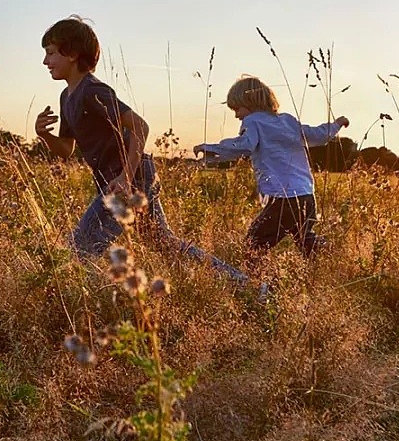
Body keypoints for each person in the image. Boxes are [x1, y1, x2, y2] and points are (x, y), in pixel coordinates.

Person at [35, 16, 247, 283]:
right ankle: (243, 284)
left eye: (51, 53)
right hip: (119, 180)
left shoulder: (94, 91)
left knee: (79, 250)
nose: (46, 62)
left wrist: (125, 177)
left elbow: (140, 127)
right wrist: (44, 135)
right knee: (167, 245)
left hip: (129, 179)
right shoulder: (67, 97)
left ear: (74, 53)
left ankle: (78, 310)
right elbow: (66, 149)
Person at [193, 76, 348, 262]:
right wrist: (337, 124)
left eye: (237, 109)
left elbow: (244, 146)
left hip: (283, 199)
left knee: (253, 245)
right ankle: (331, 255)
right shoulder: (288, 121)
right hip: (306, 196)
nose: (237, 115)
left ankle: (259, 285)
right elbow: (318, 135)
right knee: (305, 240)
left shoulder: (253, 122)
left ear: (250, 102)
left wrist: (212, 149)